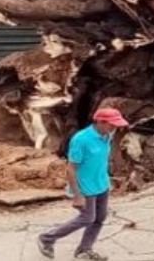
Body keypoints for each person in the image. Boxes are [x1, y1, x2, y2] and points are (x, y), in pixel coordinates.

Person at [37, 108, 129, 260]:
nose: (115, 128)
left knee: (100, 218)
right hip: (85, 187)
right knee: (87, 218)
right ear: (100, 122)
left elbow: (100, 160)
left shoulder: (107, 135)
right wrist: (77, 196)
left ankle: (84, 249)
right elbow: (71, 168)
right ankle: (47, 238)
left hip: (102, 184)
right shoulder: (81, 140)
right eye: (112, 124)